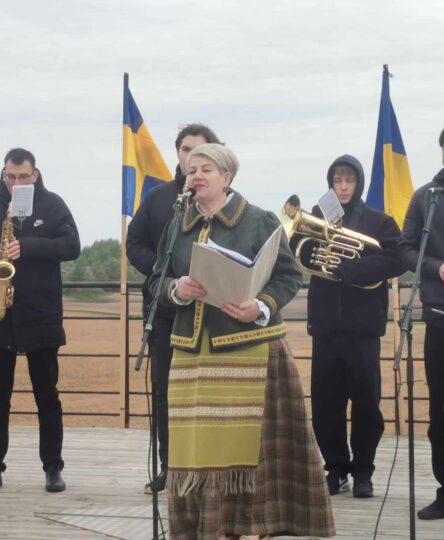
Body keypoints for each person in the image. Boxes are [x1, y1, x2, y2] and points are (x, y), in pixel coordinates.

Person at [148, 143, 334, 539]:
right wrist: (176, 289)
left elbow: (288, 276)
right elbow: (156, 281)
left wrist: (260, 305)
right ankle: (201, 525)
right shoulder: (177, 224)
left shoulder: (258, 220)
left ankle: (250, 525)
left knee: (250, 447)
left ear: (227, 177)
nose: (196, 176)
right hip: (191, 353)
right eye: (191, 170)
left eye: (206, 169)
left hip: (250, 346)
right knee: (195, 447)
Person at [0, 148, 80, 493]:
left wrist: (28, 245)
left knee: (47, 396)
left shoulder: (53, 205)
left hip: (41, 314)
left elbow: (72, 246)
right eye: (10, 177)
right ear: (3, 176)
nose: (16, 183)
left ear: (35, 175)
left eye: (23, 177)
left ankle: (53, 468)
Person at [126, 124, 221, 494]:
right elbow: (134, 242)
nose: (191, 157)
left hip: (211, 312)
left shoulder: (225, 200)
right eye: (185, 150)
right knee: (165, 392)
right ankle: (170, 466)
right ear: (177, 154)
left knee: (208, 392)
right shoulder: (158, 197)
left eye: (200, 150)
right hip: (164, 312)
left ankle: (210, 466)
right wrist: (163, 272)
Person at [305, 155, 403, 499]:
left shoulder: (380, 221)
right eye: (337, 180)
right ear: (330, 183)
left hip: (363, 330)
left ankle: (363, 471)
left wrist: (350, 269)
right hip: (325, 328)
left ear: (358, 182)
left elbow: (395, 259)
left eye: (349, 180)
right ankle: (335, 469)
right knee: (325, 404)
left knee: (366, 404)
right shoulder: (317, 216)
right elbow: (301, 253)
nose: (343, 187)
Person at [399, 129, 444, 520]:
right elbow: (406, 248)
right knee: (441, 411)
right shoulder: (426, 198)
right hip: (440, 320)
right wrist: (436, 268)